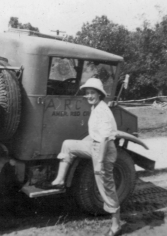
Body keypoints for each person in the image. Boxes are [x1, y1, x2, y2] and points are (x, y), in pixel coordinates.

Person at [38, 78, 122, 236]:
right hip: (95, 145)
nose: (89, 95)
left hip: (104, 150)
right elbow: (96, 135)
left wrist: (99, 164)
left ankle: (116, 225)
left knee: (106, 189)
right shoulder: (95, 107)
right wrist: (82, 145)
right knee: (68, 145)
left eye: (93, 93)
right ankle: (60, 180)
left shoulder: (102, 110)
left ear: (99, 94)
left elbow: (104, 139)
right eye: (87, 93)